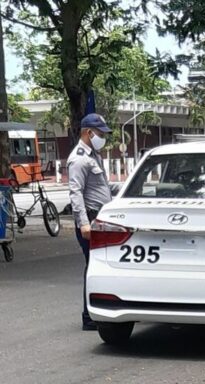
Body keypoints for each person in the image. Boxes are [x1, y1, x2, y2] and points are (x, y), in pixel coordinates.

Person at [67, 113, 113, 331]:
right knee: (93, 265)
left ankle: (95, 312)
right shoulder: (78, 159)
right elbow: (75, 193)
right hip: (90, 219)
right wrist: (84, 223)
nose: (103, 137)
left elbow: (102, 187)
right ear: (88, 132)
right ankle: (88, 316)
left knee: (98, 264)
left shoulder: (94, 156)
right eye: (101, 134)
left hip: (100, 217)